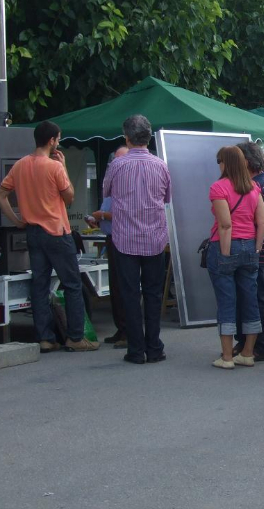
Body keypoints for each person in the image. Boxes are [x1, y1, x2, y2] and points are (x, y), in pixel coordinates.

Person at [0, 121, 100, 353]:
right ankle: (75, 337)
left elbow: (0, 195)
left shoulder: (20, 165)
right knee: (72, 284)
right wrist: (64, 167)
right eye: (58, 139)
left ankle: (45, 338)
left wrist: (17, 220)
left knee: (40, 285)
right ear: (51, 140)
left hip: (32, 231)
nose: (58, 143)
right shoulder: (54, 167)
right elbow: (69, 197)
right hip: (56, 231)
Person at [102, 115, 171, 364]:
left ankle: (135, 349)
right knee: (153, 294)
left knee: (129, 295)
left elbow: (106, 192)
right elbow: (167, 198)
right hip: (154, 237)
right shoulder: (161, 166)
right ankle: (154, 347)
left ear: (127, 137)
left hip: (125, 238)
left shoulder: (117, 165)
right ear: (149, 137)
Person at [207, 146, 264, 369]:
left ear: (225, 163)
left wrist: (224, 254)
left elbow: (225, 224)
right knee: (250, 300)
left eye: (219, 161)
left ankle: (227, 357)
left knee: (226, 301)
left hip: (226, 246)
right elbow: (262, 221)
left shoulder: (218, 187)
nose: (218, 165)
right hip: (250, 247)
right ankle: (248, 353)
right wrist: (257, 248)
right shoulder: (254, 187)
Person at [232, 142, 264, 360]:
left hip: (256, 250)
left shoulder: (258, 185)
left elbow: (257, 220)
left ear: (247, 162)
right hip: (258, 248)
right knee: (250, 297)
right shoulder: (261, 182)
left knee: (255, 299)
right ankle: (246, 342)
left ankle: (260, 346)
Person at [85, 145, 129, 348]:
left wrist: (101, 215)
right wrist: (97, 219)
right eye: (113, 161)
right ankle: (121, 329)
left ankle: (127, 332)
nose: (114, 164)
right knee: (115, 287)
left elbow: (125, 213)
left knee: (123, 287)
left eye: (118, 160)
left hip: (123, 239)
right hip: (111, 237)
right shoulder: (112, 182)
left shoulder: (127, 184)